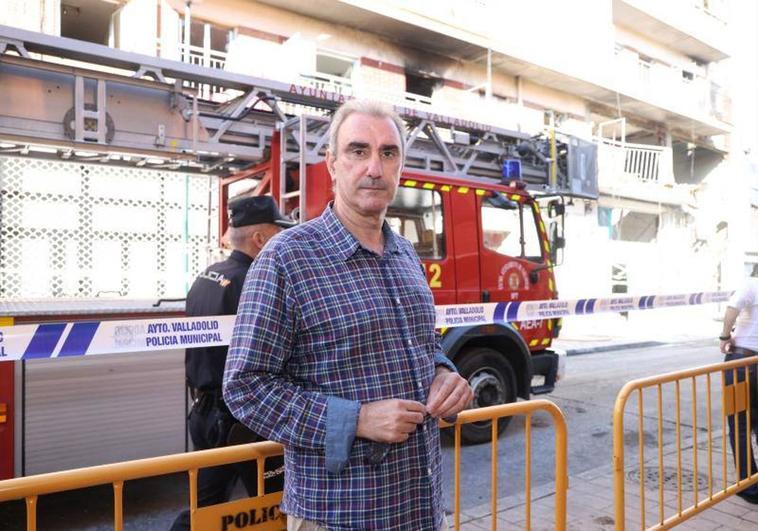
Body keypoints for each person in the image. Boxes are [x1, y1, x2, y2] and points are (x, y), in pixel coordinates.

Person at [223, 99, 473, 530]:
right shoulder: (287, 259)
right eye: (359, 151)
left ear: (400, 167)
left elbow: (422, 345)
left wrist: (444, 373)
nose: (374, 167)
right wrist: (355, 419)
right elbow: (245, 387)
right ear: (333, 164)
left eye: (388, 153)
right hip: (340, 515)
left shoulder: (406, 255)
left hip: (419, 507)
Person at [170, 195, 294, 531]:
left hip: (205, 412)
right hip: (243, 419)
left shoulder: (208, 275)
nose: (283, 239)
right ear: (260, 239)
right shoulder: (253, 281)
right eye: (278, 231)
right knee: (277, 504)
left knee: (205, 506)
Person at [719, 266, 758, 505]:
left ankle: (749, 486)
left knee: (740, 424)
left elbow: (732, 308)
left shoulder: (751, 284)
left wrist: (725, 337)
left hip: (741, 363)